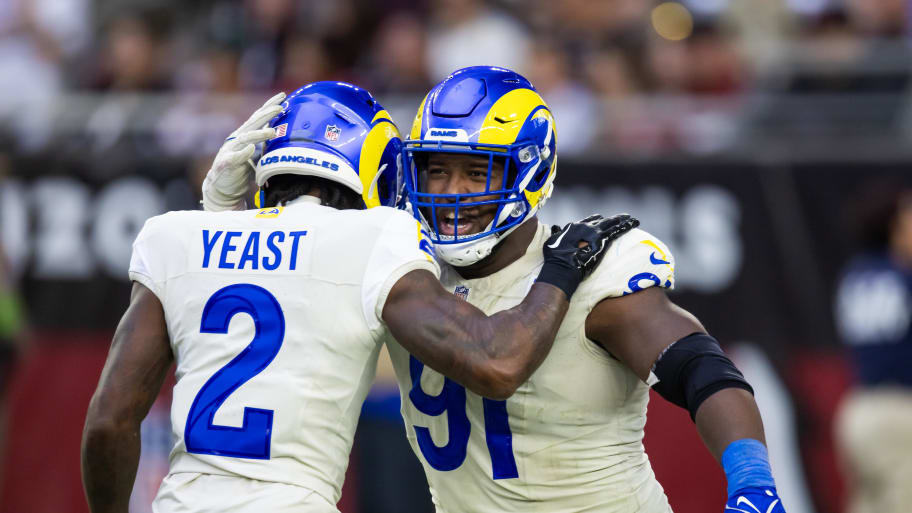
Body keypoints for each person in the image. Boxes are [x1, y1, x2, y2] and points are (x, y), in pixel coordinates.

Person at [80, 82, 635, 513]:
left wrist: (219, 224)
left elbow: (109, 421)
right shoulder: (376, 239)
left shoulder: (172, 236)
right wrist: (564, 268)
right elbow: (496, 359)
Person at [381, 66, 786, 512]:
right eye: (436, 170)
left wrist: (753, 482)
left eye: (478, 173)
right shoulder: (405, 271)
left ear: (529, 172)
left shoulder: (592, 267)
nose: (452, 192)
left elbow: (700, 370)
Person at [834, 183, 912, 513]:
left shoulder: (855, 275)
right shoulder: (904, 278)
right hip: (900, 414)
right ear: (893, 225)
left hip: (859, 410)